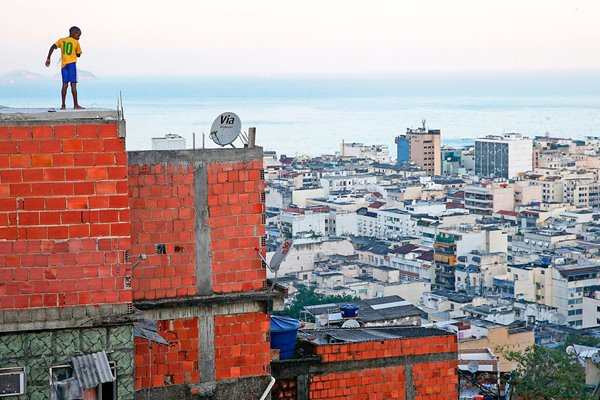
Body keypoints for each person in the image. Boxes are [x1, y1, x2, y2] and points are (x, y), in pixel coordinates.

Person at [45, 26, 84, 110]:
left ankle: (63, 105)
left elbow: (52, 47)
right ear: (74, 34)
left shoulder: (61, 40)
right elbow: (78, 54)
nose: (79, 37)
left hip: (64, 65)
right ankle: (76, 105)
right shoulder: (76, 42)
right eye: (78, 35)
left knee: (64, 84)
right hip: (71, 65)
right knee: (73, 84)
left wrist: (48, 58)